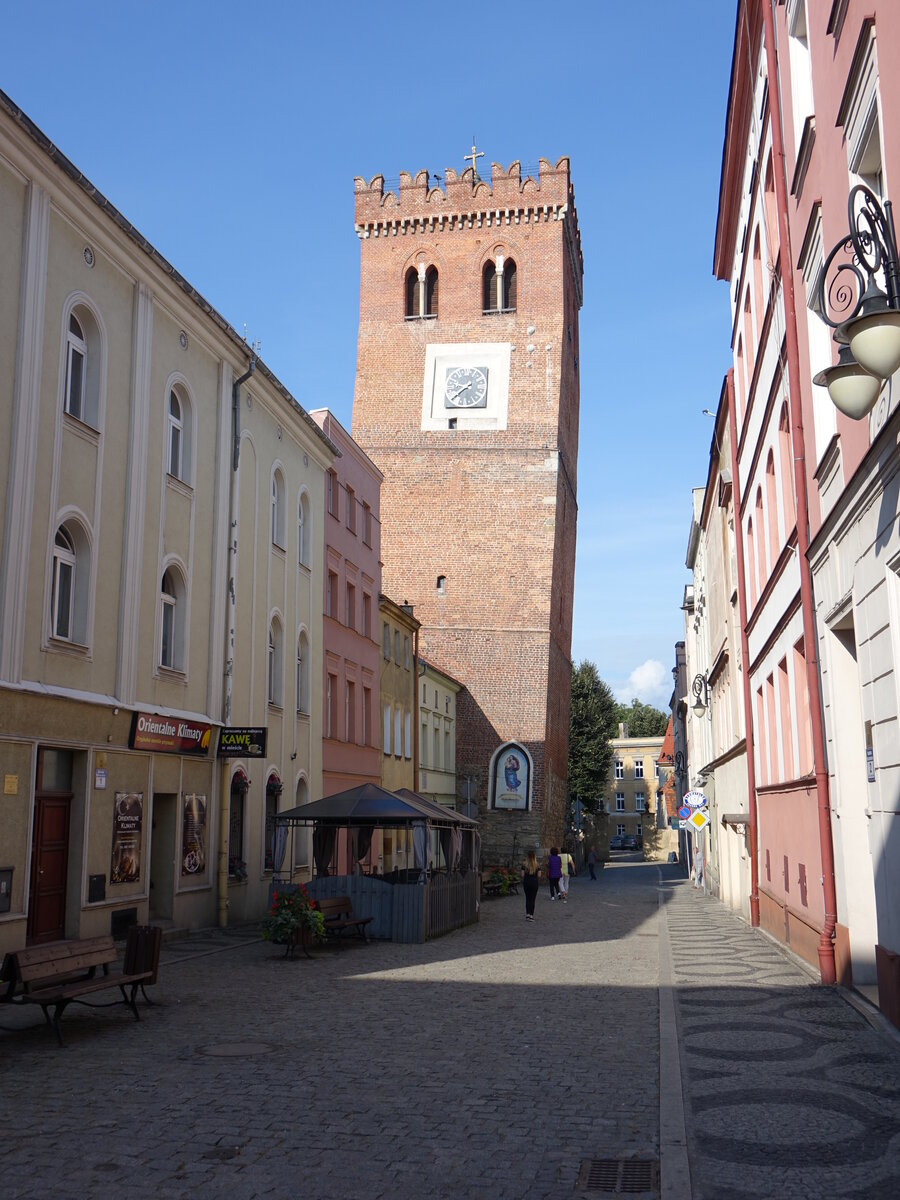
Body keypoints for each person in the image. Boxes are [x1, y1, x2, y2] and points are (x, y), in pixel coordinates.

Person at [521, 851, 540, 920]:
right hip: (534, 883)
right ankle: (531, 915)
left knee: (527, 899)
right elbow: (539, 875)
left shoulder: (524, 865)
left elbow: (522, 875)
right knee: (533, 899)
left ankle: (527, 914)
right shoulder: (537, 865)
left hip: (526, 882)